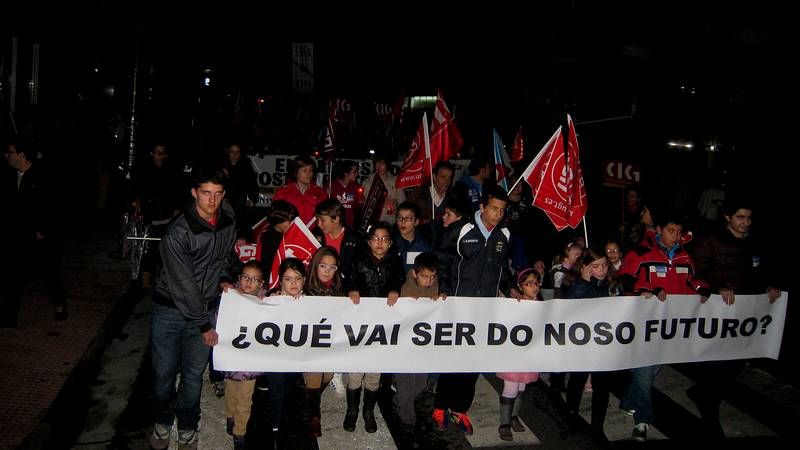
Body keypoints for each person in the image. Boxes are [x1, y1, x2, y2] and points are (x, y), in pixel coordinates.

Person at [149, 170, 237, 450]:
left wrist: (224, 276)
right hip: (171, 311)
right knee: (163, 375)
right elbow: (184, 284)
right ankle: (163, 420)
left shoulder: (227, 223)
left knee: (192, 376)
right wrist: (204, 325)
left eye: (218, 193)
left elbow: (225, 257)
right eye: (206, 193)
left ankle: (187, 425)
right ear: (194, 193)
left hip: (206, 311)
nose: (212, 200)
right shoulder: (178, 231)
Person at [688, 198, 782, 438]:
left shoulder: (755, 242)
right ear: (728, 217)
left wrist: (769, 286)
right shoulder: (711, 241)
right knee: (714, 362)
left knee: (736, 361)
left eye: (749, 218)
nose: (745, 223)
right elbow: (697, 272)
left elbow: (761, 271)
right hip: (719, 312)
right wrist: (718, 287)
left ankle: (704, 393)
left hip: (745, 314)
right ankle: (709, 410)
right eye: (740, 217)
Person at [616, 208, 710, 442]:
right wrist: (647, 289)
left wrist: (702, 289)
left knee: (653, 368)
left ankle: (628, 401)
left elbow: (691, 282)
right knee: (646, 372)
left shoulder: (684, 256)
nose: (675, 236)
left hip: (669, 327)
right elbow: (626, 278)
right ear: (658, 230)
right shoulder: (641, 252)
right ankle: (643, 420)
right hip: (643, 325)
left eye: (679, 232)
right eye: (670, 231)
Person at [433, 186, 519, 435]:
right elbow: (443, 259)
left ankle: (460, 410)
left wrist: (511, 288)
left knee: (474, 361)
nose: (497, 214)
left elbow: (502, 268)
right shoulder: (463, 229)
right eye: (493, 208)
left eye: (502, 210)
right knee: (453, 359)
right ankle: (440, 406)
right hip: (460, 307)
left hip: (486, 310)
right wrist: (445, 289)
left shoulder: (505, 233)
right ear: (482, 207)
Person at [343, 222, 405, 433]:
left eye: (384, 239)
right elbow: (348, 279)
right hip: (359, 325)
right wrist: (351, 289)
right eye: (375, 238)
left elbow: (400, 279)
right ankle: (351, 411)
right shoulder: (358, 259)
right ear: (369, 242)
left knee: (374, 374)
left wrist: (395, 290)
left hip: (382, 325)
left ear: (390, 243)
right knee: (354, 372)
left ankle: (368, 412)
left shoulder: (395, 262)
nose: (380, 243)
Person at [1, 138, 66, 327]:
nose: (7, 155)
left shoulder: (41, 177)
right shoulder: (9, 177)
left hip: (37, 237)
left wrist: (44, 229)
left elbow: (52, 206)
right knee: (12, 277)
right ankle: (9, 316)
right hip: (17, 236)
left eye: (10, 152)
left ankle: (59, 304)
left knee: (48, 272)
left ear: (21, 155)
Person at [564, 248, 623, 440]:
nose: (602, 270)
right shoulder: (574, 282)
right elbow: (569, 305)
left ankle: (597, 425)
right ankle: (571, 418)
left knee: (602, 385)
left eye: (605, 265)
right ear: (585, 267)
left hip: (604, 343)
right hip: (582, 344)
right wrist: (583, 282)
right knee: (576, 382)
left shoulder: (612, 284)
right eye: (596, 266)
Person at [389, 252, 444, 449]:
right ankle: (408, 425)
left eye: (432, 276)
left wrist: (442, 298)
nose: (428, 281)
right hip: (403, 349)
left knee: (420, 386)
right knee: (406, 390)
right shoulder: (405, 290)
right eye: (424, 276)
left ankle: (402, 404)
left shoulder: (436, 288)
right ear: (414, 273)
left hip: (422, 350)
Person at [223, 261, 267, 450]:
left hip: (250, 362)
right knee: (231, 391)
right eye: (246, 277)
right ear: (239, 279)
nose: (249, 282)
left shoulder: (266, 302)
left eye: (255, 279)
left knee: (245, 398)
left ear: (261, 283)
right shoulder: (229, 297)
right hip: (231, 358)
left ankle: (240, 432)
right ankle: (230, 416)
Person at [496, 268, 543, 442]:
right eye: (529, 284)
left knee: (522, 386)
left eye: (536, 283)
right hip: (513, 355)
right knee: (511, 387)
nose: (534, 287)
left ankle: (514, 416)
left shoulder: (540, 304)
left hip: (528, 355)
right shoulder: (515, 304)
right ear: (520, 286)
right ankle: (504, 423)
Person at [131, 143, 183, 289]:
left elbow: (176, 191)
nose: (159, 156)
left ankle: (162, 278)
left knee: (165, 249)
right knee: (148, 249)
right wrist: (137, 205)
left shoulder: (171, 172)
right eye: (157, 153)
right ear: (152, 154)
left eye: (162, 153)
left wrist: (176, 209)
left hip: (166, 218)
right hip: (149, 218)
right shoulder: (144, 171)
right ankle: (146, 277)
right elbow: (137, 191)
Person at [302, 246, 342, 438]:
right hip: (308, 346)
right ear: (315, 266)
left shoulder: (337, 289)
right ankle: (313, 414)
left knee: (327, 375)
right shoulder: (304, 288)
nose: (327, 271)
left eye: (332, 267)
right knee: (316, 372)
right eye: (323, 266)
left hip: (329, 343)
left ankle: (310, 396)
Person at [272, 156, 327, 226]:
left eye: (311, 170)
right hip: (290, 233)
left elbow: (326, 217)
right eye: (304, 170)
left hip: (313, 234)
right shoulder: (283, 193)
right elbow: (275, 218)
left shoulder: (320, 193)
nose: (309, 174)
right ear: (295, 172)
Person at [362, 154, 404, 224]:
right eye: (376, 163)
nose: (378, 167)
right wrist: (385, 202)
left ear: (387, 165)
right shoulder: (368, 182)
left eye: (382, 163)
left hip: (391, 221)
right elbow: (367, 202)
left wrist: (397, 209)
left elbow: (402, 202)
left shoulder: (395, 181)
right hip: (373, 221)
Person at [393, 201, 432, 274]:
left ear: (416, 222)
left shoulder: (424, 245)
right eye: (400, 218)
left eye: (408, 218)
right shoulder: (391, 243)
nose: (403, 222)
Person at [329, 160, 363, 229]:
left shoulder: (356, 187)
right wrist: (326, 195)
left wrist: (361, 202)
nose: (357, 174)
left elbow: (357, 206)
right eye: (354, 172)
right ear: (346, 173)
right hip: (334, 225)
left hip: (349, 225)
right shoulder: (331, 185)